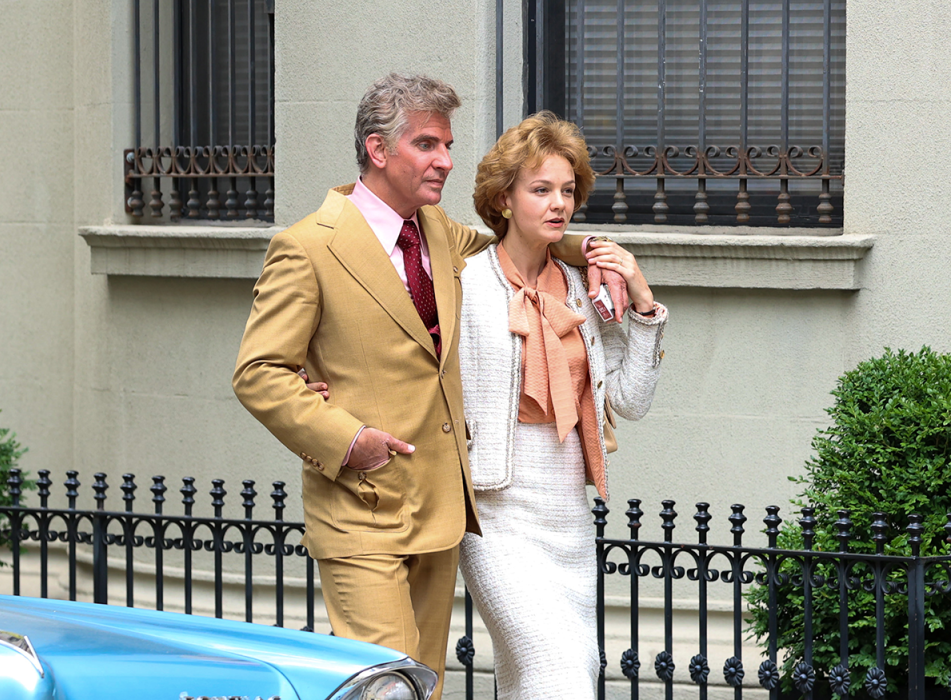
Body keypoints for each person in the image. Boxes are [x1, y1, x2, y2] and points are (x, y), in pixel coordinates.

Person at [231, 75, 628, 699]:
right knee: (385, 691)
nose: (445, 159)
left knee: (425, 690)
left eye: (446, 144)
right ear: (378, 149)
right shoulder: (307, 247)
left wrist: (595, 248)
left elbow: (522, 244)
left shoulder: (441, 233)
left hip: (439, 516)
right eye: (427, 144)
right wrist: (348, 437)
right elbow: (258, 372)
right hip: (361, 509)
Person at [458, 112, 668, 699]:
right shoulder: (466, 283)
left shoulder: (584, 287)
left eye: (568, 191)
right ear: (504, 198)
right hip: (493, 514)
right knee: (560, 674)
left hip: (567, 517)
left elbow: (628, 401)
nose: (559, 203)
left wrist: (644, 307)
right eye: (541, 189)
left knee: (535, 677)